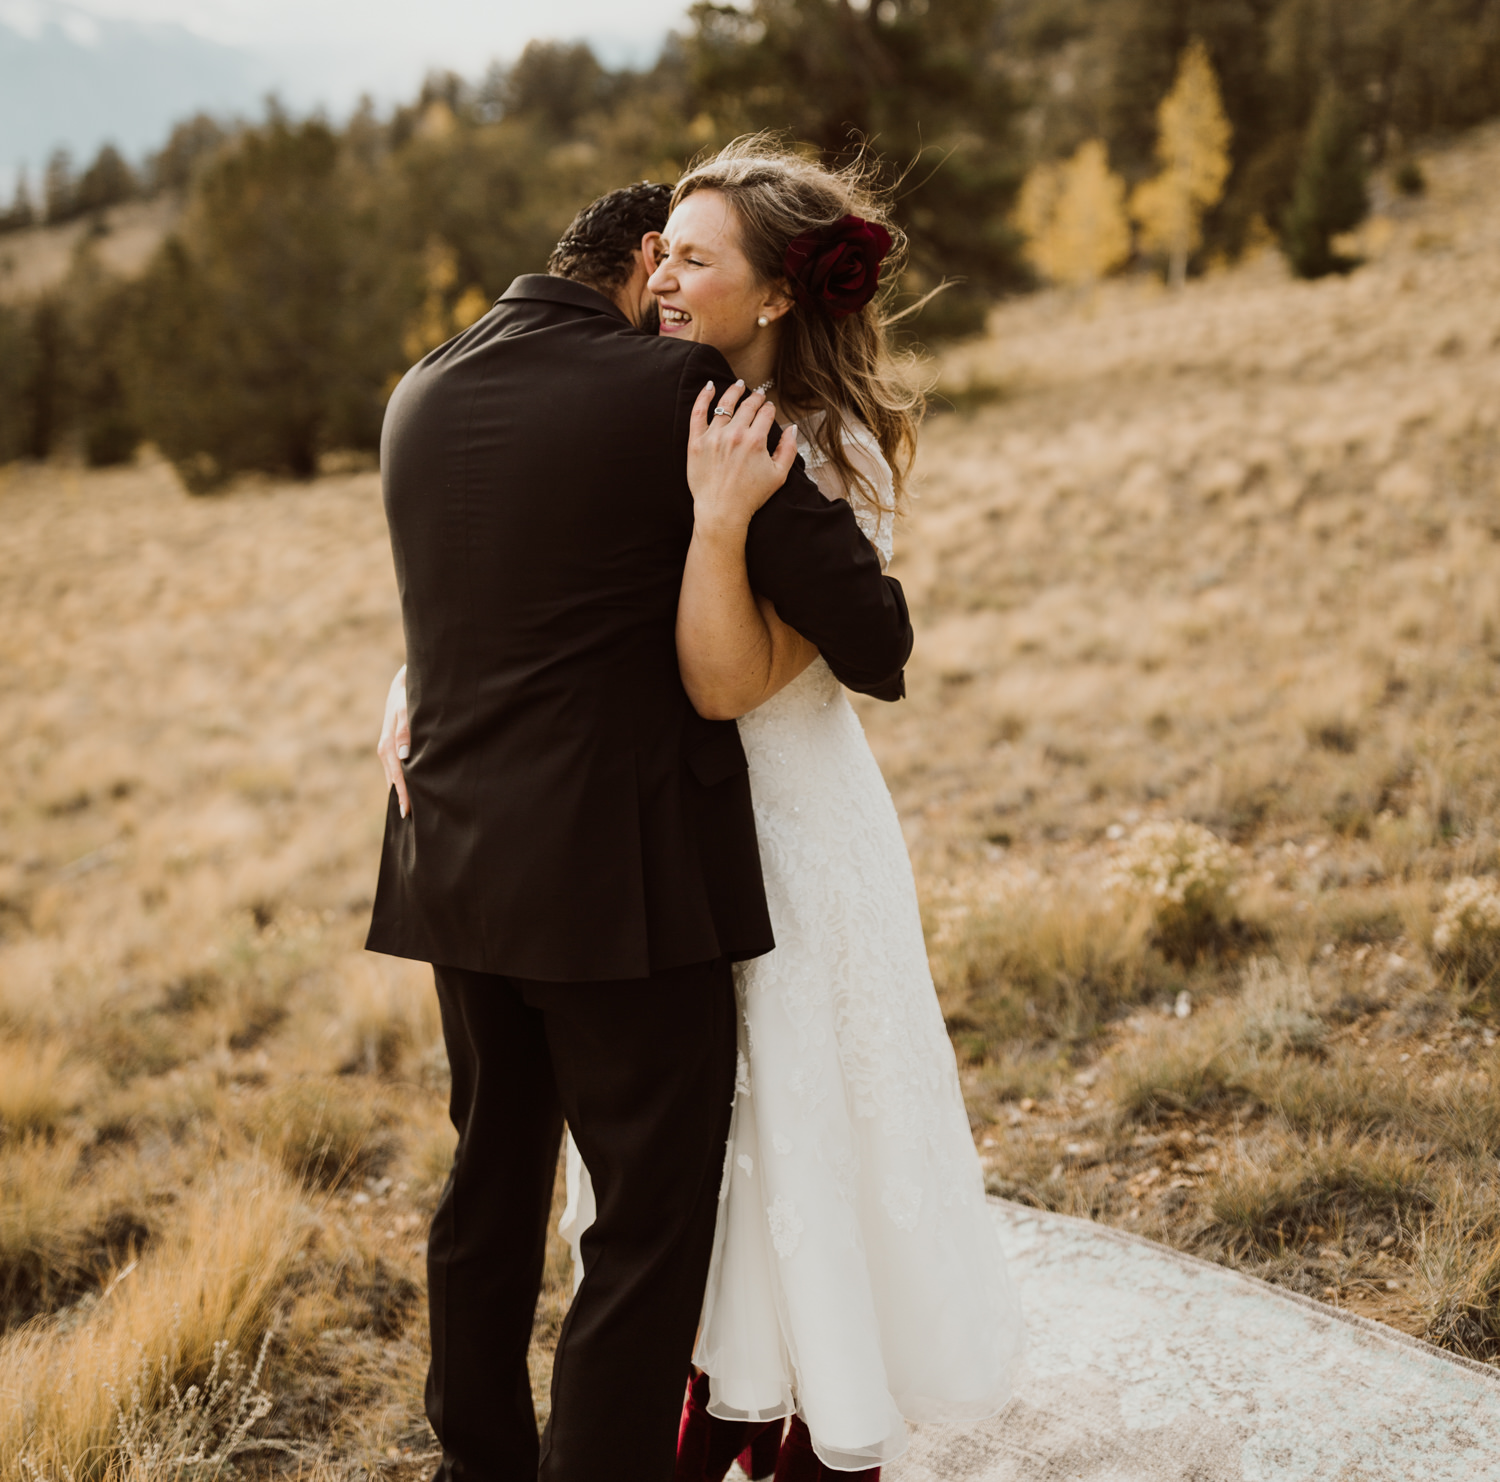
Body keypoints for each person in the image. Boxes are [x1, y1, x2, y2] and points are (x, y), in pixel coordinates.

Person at [367, 180, 914, 1482]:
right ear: (636, 268)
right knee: (647, 1220)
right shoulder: (675, 397)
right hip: (615, 885)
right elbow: (877, 639)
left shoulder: (422, 389)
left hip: (451, 863)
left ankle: (478, 1462)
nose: (669, 302)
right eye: (666, 270)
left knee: (490, 1182)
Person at [562, 141, 1024, 1479]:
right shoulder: (648, 403)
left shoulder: (825, 456)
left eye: (695, 257)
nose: (662, 275)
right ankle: (713, 1385)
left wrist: (718, 523)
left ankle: (817, 1420)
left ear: (772, 296)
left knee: (803, 1128)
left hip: (794, 841)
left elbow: (728, 682)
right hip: (665, 841)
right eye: (665, 251)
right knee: (696, 1151)